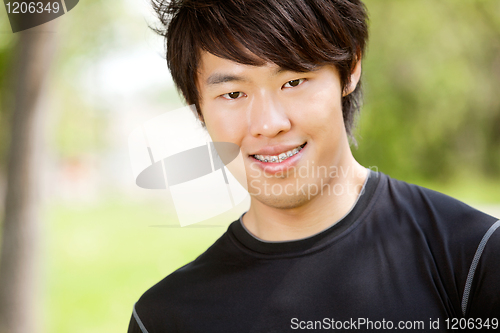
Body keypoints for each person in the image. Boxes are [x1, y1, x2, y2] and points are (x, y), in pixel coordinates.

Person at [128, 0, 500, 331]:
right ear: (198, 109)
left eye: (293, 81)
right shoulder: (165, 317)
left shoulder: (473, 259)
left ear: (349, 69)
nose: (268, 123)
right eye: (233, 94)